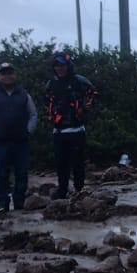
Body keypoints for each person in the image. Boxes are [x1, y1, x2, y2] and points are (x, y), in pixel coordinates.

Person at [0, 61, 38, 212]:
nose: (7, 76)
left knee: (21, 173)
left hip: (21, 142)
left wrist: (28, 131)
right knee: (2, 174)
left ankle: (19, 203)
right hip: (0, 142)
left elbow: (33, 115)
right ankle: (3, 204)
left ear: (14, 75)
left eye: (10, 73)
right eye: (4, 73)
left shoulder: (24, 94)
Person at [41, 52, 98, 199]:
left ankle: (79, 190)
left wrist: (87, 107)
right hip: (59, 131)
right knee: (61, 164)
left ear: (68, 66)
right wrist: (50, 116)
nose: (59, 68)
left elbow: (93, 93)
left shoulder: (79, 80)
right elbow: (47, 102)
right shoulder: (51, 84)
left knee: (78, 163)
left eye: (62, 65)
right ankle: (62, 190)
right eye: (56, 65)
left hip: (77, 130)